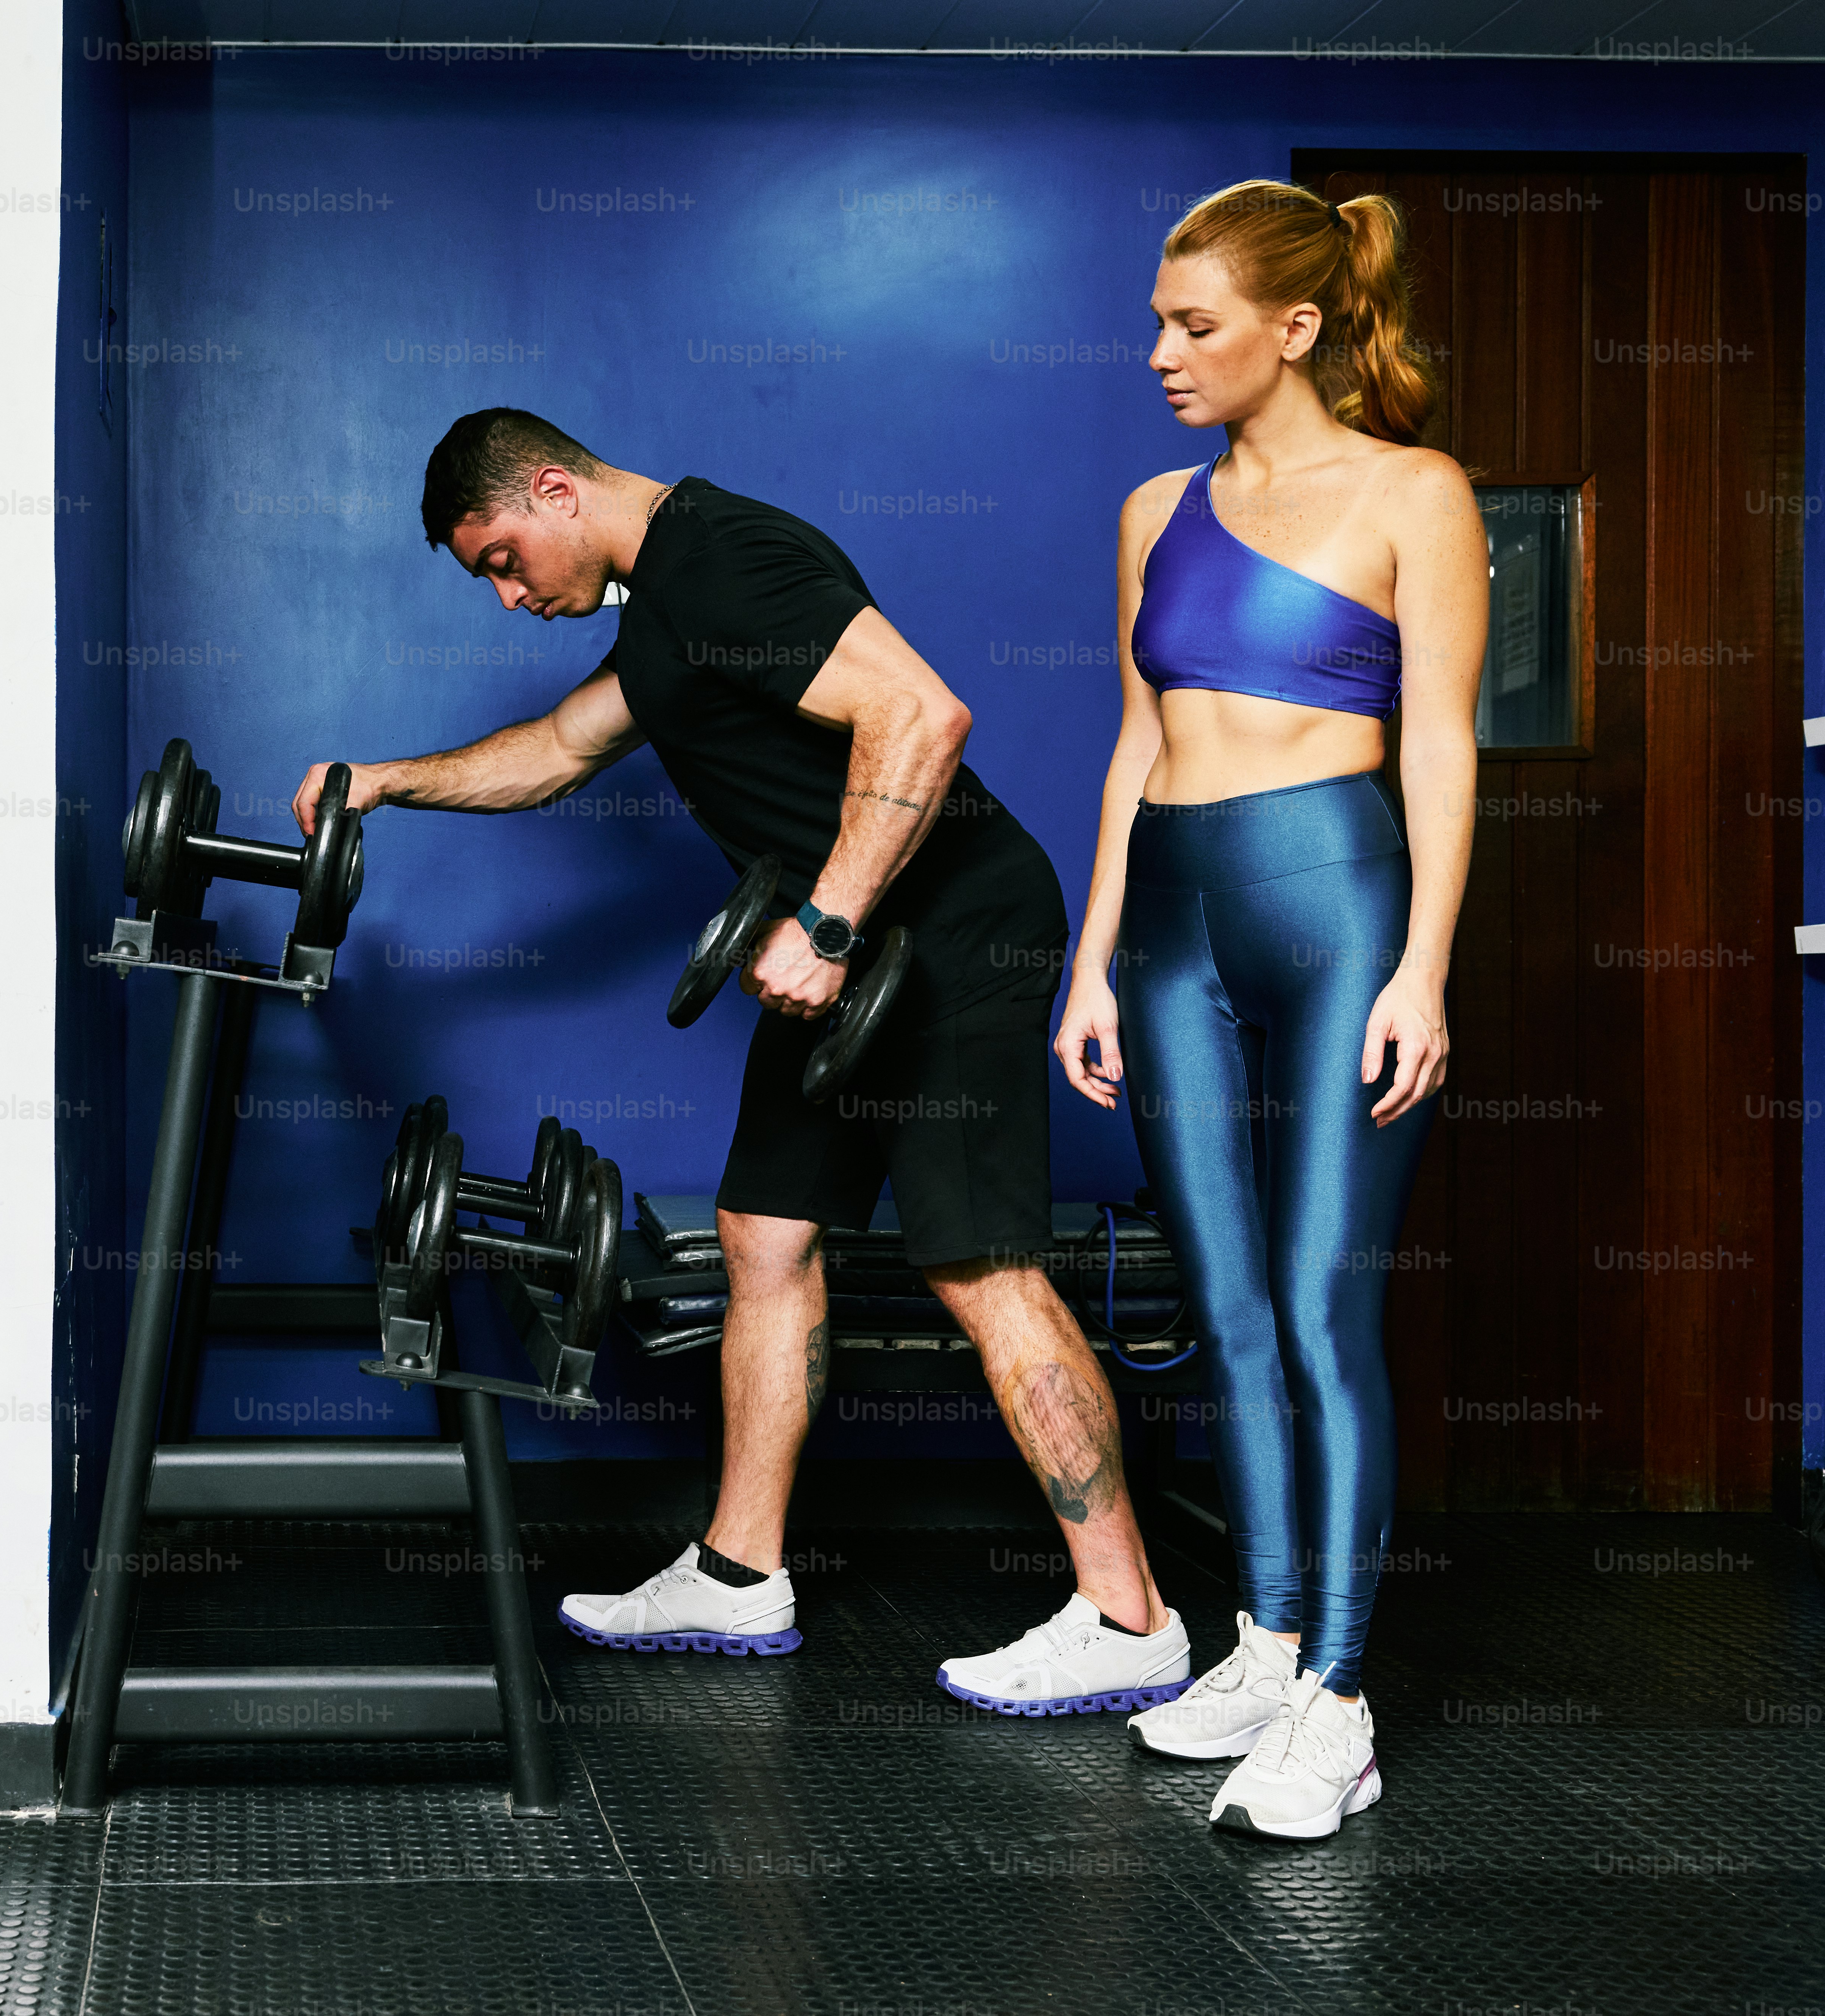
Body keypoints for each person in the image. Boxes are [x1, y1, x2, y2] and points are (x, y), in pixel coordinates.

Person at [296, 408, 1193, 1717]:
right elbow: (554, 751)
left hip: (942, 927)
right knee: (763, 1232)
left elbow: (920, 713)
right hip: (840, 937)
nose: (505, 592)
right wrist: (380, 779)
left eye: (500, 556)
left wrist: (827, 920)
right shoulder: (661, 609)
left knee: (979, 1264)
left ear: (553, 491)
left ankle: (1129, 1617)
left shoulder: (722, 557)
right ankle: (736, 1571)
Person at [1055, 181, 1483, 1839]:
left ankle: (1343, 1700)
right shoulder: (1155, 509)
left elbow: (1444, 744)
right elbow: (1138, 736)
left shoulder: (1413, 492)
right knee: (1222, 1306)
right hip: (1171, 913)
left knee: (1318, 1309)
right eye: (1162, 321)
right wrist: (1095, 955)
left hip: (1337, 903)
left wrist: (1426, 963)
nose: (1162, 353)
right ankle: (1268, 1637)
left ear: (1295, 329)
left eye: (1197, 325)